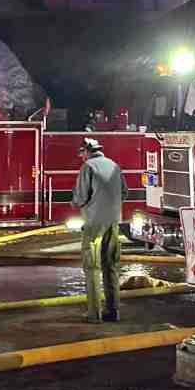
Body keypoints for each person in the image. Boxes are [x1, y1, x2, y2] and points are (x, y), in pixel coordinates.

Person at [71, 137, 123, 322]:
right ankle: (113, 311)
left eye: (82, 153)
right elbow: (124, 192)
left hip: (94, 224)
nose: (81, 157)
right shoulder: (114, 165)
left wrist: (75, 203)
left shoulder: (88, 167)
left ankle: (94, 314)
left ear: (87, 151)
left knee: (92, 267)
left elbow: (80, 197)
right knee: (111, 266)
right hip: (113, 222)